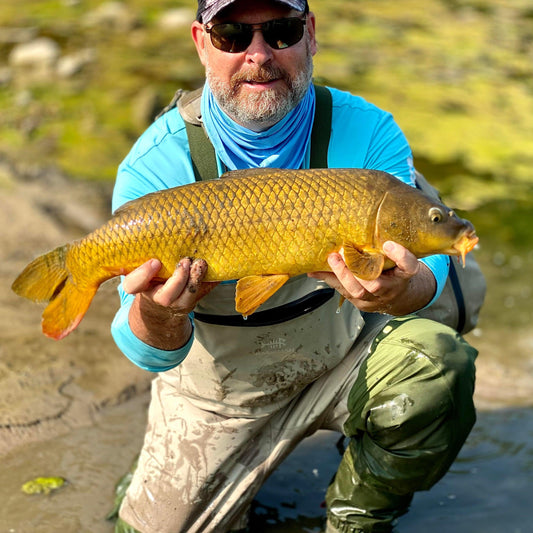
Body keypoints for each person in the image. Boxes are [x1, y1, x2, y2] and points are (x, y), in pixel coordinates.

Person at [109, 1, 478, 532]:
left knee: (437, 364)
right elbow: (143, 351)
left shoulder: (368, 130)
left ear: (309, 33)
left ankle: (358, 517)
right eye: (233, 35)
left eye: (280, 31)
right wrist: (160, 315)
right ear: (200, 42)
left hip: (342, 355)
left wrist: (401, 292)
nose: (258, 54)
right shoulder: (156, 165)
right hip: (219, 396)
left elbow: (431, 278)